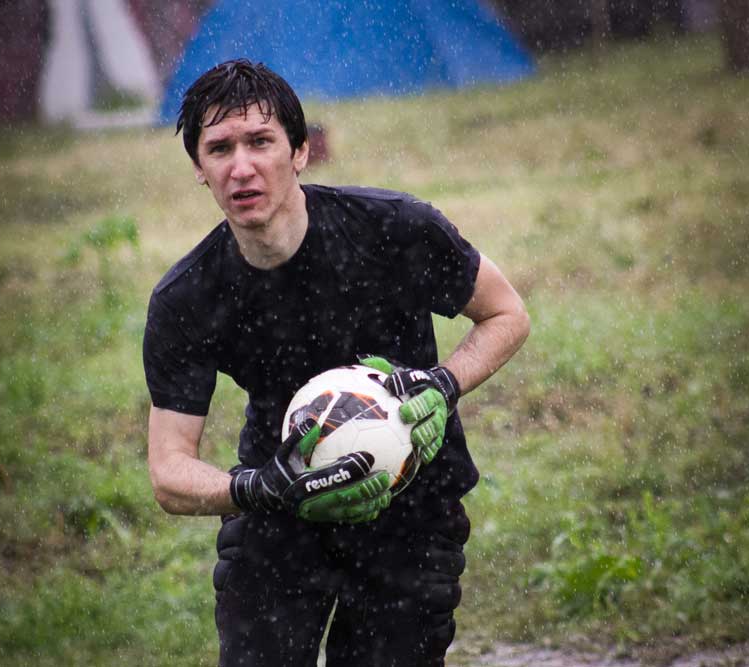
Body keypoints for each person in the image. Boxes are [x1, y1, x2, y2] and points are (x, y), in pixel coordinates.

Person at [143, 59, 530, 667]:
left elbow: (506, 314)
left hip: (410, 506)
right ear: (199, 167)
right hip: (278, 510)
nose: (241, 167)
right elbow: (169, 471)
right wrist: (256, 489)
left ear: (300, 151)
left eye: (260, 141)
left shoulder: (393, 228)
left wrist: (442, 384)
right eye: (219, 148)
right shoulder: (188, 297)